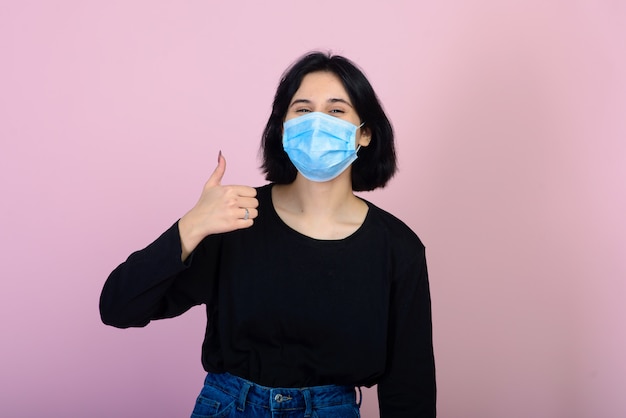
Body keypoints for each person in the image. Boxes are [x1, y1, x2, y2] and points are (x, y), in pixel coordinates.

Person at [100, 51, 436, 417]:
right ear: (282, 128)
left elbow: (409, 388)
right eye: (303, 110)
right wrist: (193, 224)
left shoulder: (397, 248)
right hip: (228, 406)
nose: (318, 123)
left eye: (336, 111)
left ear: (366, 133)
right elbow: (119, 308)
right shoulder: (235, 219)